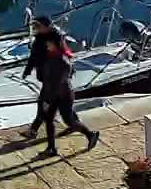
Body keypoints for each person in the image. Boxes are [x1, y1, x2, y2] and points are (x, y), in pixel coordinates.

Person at [22, 21, 98, 153]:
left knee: (69, 121)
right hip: (51, 92)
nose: (47, 45)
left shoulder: (63, 62)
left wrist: (48, 99)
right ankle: (51, 148)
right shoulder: (49, 58)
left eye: (49, 44)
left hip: (62, 95)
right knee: (48, 119)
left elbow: (58, 83)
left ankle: (91, 134)